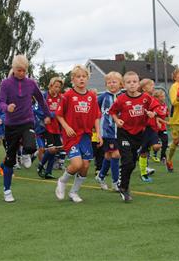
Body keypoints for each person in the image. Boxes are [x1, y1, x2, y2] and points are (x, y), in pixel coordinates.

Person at [0, 54, 49, 202]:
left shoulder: (31, 83)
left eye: (24, 71)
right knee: (9, 159)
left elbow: (41, 99)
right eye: (19, 70)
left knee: (31, 146)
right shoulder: (6, 84)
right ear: (13, 68)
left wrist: (47, 115)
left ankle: (27, 154)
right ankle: (7, 190)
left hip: (27, 120)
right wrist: (8, 107)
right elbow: (0, 102)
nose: (21, 73)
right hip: (11, 124)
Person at [109, 71, 165, 202]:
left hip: (139, 134)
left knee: (132, 163)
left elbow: (156, 107)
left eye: (134, 82)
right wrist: (117, 120)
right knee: (127, 161)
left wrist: (153, 113)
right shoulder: (121, 99)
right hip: (124, 134)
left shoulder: (145, 97)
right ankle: (123, 187)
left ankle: (121, 182)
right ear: (124, 85)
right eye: (128, 82)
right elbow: (112, 112)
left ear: (138, 83)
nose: (132, 84)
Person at [54, 65, 101, 202]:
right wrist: (66, 127)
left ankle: (74, 192)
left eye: (84, 76)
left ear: (87, 79)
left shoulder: (92, 96)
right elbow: (59, 115)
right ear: (72, 79)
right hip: (72, 136)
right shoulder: (67, 95)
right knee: (77, 164)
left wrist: (98, 133)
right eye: (78, 77)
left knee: (85, 166)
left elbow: (97, 116)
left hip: (86, 136)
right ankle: (62, 181)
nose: (81, 79)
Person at [95, 71, 122, 191]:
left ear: (120, 84)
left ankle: (100, 176)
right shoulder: (102, 97)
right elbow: (94, 111)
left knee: (108, 155)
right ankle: (116, 182)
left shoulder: (123, 97)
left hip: (121, 131)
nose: (112, 84)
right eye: (109, 82)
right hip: (107, 131)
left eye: (114, 82)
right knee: (116, 154)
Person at [37, 77, 64, 180]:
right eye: (55, 86)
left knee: (55, 149)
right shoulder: (44, 96)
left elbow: (62, 111)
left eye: (59, 87)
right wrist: (46, 116)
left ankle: (48, 172)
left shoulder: (61, 98)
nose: (57, 89)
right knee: (51, 149)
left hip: (57, 127)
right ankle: (41, 165)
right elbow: (36, 109)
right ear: (51, 86)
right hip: (46, 127)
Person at [137, 78, 163, 182]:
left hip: (151, 129)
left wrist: (155, 115)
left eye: (153, 85)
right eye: (150, 85)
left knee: (156, 146)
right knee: (144, 152)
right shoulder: (140, 98)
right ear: (143, 88)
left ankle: (148, 157)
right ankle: (143, 173)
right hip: (143, 129)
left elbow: (158, 109)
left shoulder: (152, 99)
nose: (153, 87)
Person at [167, 69, 179, 170]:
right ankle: (169, 159)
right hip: (176, 119)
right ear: (175, 77)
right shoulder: (174, 87)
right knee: (176, 141)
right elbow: (174, 102)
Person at [153, 90, 171, 172]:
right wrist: (165, 122)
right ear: (156, 98)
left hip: (163, 128)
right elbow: (156, 117)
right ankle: (154, 154)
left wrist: (170, 120)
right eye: (161, 96)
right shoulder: (155, 106)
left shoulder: (165, 106)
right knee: (156, 144)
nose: (163, 98)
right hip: (155, 128)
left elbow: (167, 115)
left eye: (164, 96)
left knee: (165, 141)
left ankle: (163, 156)